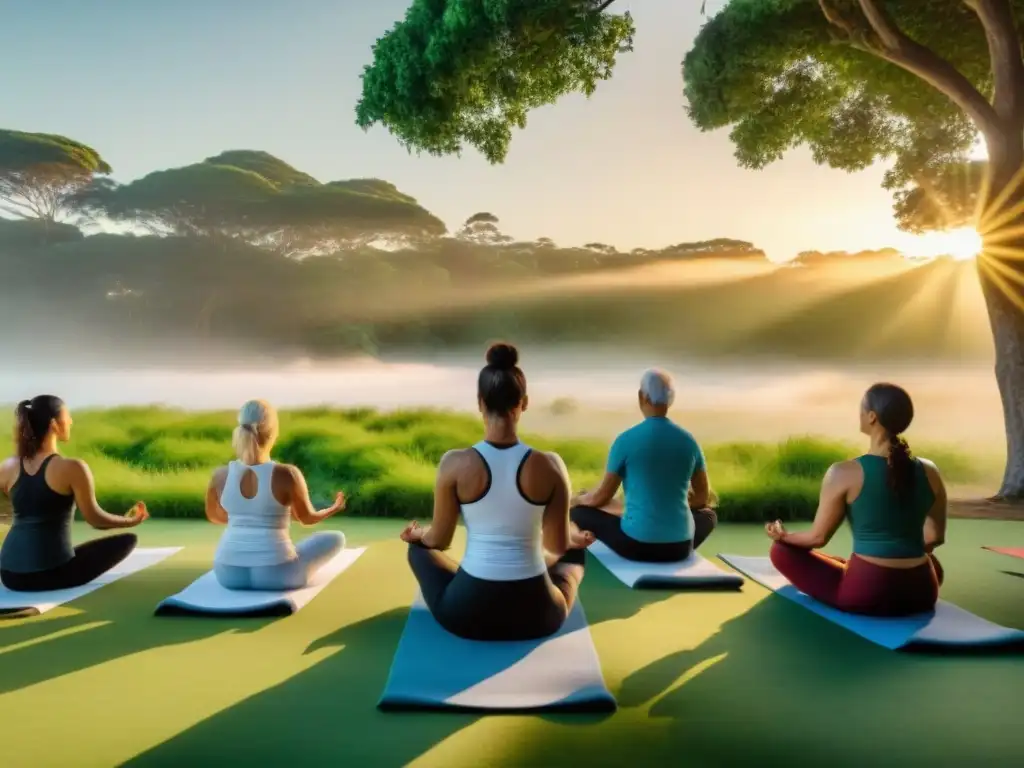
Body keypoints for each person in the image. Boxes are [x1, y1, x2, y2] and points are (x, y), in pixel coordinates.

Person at [400, 342, 595, 641]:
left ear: (480, 402)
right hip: (539, 617)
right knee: (573, 558)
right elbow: (557, 546)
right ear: (524, 402)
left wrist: (419, 537)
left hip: (466, 615)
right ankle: (562, 581)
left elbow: (439, 540)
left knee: (419, 552)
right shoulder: (551, 465)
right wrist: (570, 537)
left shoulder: (454, 463)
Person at [765, 382, 947, 617]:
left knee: (781, 551)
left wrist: (782, 536)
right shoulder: (930, 470)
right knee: (931, 563)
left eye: (861, 408)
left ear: (872, 417)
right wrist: (899, 552)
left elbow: (817, 538)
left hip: (868, 592)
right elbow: (935, 537)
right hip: (922, 590)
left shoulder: (843, 472)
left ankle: (852, 570)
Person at [0, 395, 147, 593]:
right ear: (54, 424)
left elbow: (7, 511)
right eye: (67, 416)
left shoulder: (7, 467)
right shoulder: (72, 467)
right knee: (127, 541)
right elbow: (95, 519)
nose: (70, 421)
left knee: (75, 550)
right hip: (48, 575)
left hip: (8, 575)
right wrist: (131, 521)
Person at [570, 368, 717, 563]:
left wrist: (579, 500)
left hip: (636, 546)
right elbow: (701, 498)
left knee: (579, 512)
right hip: (680, 548)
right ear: (670, 399)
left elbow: (601, 497)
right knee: (708, 515)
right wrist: (669, 507)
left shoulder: (625, 439)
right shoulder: (689, 441)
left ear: (642, 397)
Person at [205, 399, 347, 591]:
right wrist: (333, 508)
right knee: (336, 538)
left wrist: (246, 516)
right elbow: (307, 518)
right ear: (273, 433)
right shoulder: (287, 474)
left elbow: (215, 516)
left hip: (228, 573)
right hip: (278, 574)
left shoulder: (220, 475)